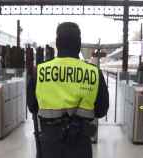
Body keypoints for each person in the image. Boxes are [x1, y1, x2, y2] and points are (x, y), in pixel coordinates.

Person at [27, 22, 109, 158]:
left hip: (49, 146)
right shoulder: (94, 73)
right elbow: (101, 110)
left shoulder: (39, 71)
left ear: (57, 43)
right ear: (79, 44)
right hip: (81, 145)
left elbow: (32, 107)